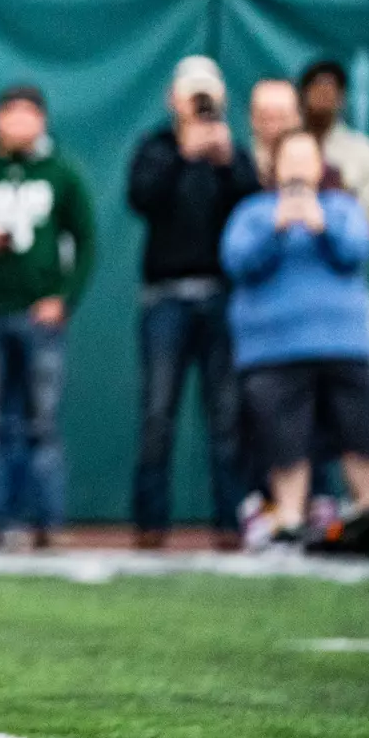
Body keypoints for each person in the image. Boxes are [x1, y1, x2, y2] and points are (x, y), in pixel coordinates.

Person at [0, 85, 95, 549]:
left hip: (39, 316)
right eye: (10, 114)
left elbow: (86, 240)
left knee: (42, 423)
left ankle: (47, 523)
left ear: (42, 122)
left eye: (29, 114)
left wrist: (63, 298)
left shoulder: (62, 174)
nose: (19, 123)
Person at [222, 130, 369, 544]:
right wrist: (275, 228)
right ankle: (290, 521)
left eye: (305, 158)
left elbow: (357, 251)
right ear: (274, 167)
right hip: (274, 353)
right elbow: (236, 261)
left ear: (320, 166)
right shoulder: (254, 213)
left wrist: (321, 224)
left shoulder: (342, 209)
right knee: (286, 444)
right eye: (288, 158)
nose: (296, 167)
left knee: (359, 437)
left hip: (344, 349)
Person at [126, 57, 259, 549]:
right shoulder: (157, 147)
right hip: (166, 298)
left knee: (226, 418)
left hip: (221, 297)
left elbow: (253, 202)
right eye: (191, 93)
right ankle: (150, 526)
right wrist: (184, 153)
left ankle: (230, 526)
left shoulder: (231, 152)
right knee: (158, 414)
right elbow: (142, 197)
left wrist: (226, 163)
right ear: (173, 100)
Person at [297, 60, 369, 239]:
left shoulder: (362, 150)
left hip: (343, 253)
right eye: (317, 87)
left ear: (342, 98)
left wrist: (342, 217)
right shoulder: (288, 146)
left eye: (331, 88)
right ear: (303, 95)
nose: (324, 94)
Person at [249, 79, 302, 186]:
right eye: (265, 118)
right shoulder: (240, 172)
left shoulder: (323, 175)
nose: (273, 128)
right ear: (252, 119)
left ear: (297, 119)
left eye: (281, 118)